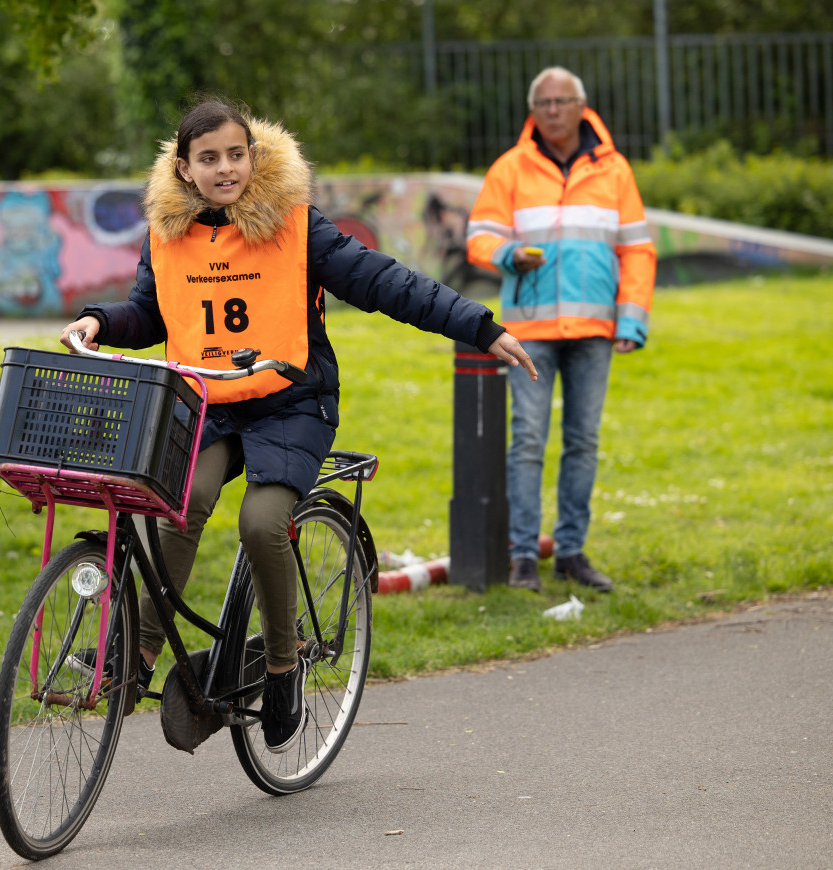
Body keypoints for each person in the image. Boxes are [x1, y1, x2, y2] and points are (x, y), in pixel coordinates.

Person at [61, 97, 536, 753]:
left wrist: (479, 327)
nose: (225, 168)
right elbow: (150, 314)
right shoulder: (165, 236)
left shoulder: (296, 226)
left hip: (291, 401)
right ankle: (137, 653)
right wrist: (101, 321)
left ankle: (282, 667)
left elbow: (386, 283)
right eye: (208, 158)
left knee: (261, 522)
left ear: (253, 156)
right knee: (181, 502)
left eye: (235, 154)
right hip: (210, 401)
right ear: (184, 167)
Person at [465, 67, 657, 594]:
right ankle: (524, 557)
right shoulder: (509, 168)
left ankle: (570, 551)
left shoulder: (615, 169)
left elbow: (637, 249)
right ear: (533, 109)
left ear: (581, 106)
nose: (553, 110)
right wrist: (508, 255)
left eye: (562, 101)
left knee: (583, 441)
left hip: (596, 328)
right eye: (543, 102)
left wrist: (633, 318)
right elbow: (479, 237)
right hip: (530, 329)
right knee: (527, 440)